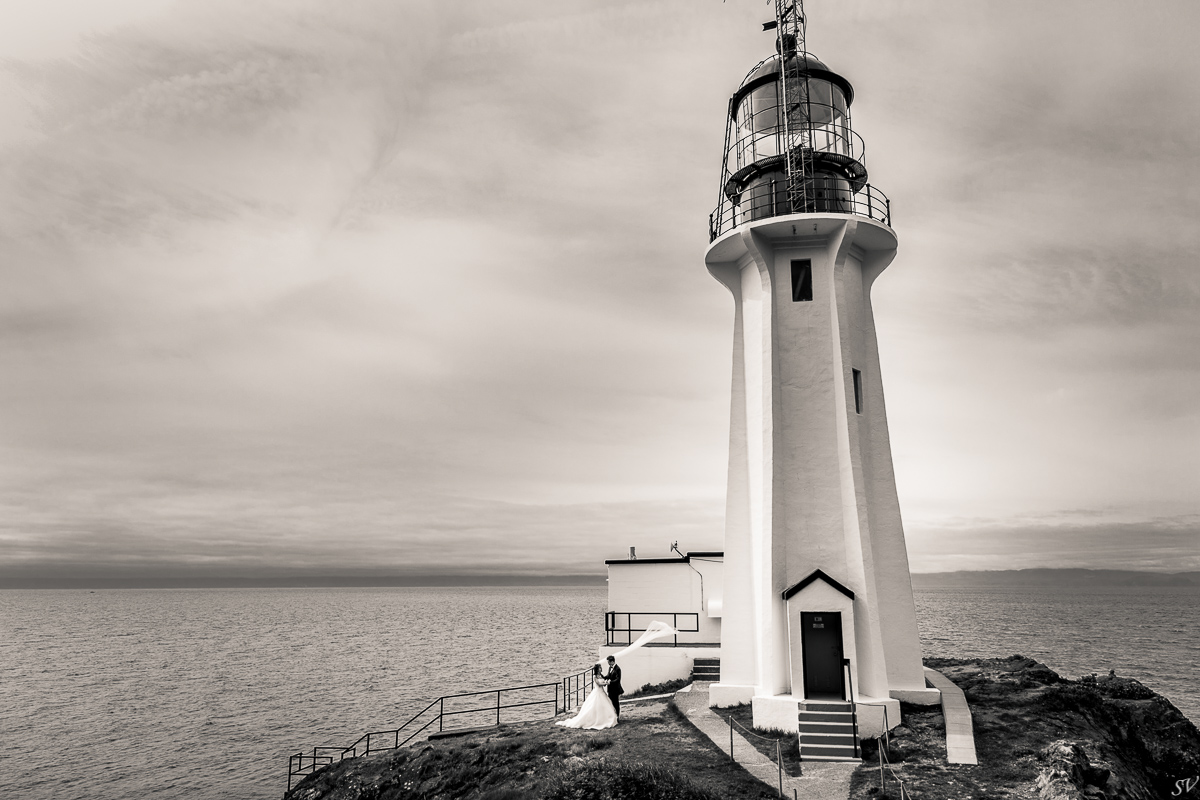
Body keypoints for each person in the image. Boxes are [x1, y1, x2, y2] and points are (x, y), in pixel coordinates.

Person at [555, 663, 618, 729]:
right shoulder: (595, 676)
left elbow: (602, 683)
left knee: (605, 706)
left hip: (602, 692)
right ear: (596, 669)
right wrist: (606, 683)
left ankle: (606, 719)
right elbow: (599, 684)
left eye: (600, 667)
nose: (600, 669)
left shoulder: (601, 675)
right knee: (594, 706)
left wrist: (605, 683)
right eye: (599, 668)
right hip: (597, 692)